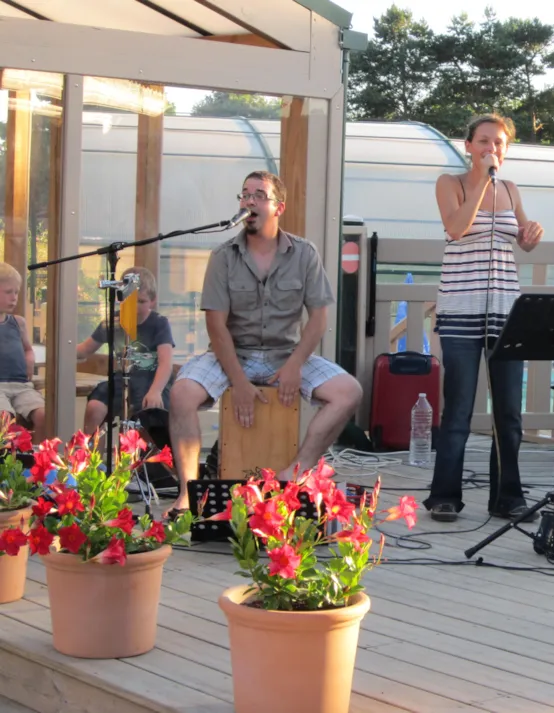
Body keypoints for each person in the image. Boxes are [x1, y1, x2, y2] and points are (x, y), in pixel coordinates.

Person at [165, 170, 362, 518]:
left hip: (285, 354)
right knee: (181, 394)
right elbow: (216, 325)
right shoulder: (223, 256)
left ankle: (296, 472)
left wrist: (294, 366)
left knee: (349, 391)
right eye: (244, 195)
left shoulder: (305, 253)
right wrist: (238, 382)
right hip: (230, 353)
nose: (249, 201)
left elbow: (318, 320)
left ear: (278, 207)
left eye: (259, 195)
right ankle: (187, 494)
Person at [423, 114, 544, 523]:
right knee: (458, 407)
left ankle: (507, 496)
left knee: (509, 411)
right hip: (460, 309)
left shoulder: (510, 189)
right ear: (469, 146)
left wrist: (530, 235)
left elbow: (522, 241)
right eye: (485, 141)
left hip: (506, 311)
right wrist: (482, 181)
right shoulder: (451, 184)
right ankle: (444, 496)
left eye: (500, 143)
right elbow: (456, 229)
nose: (493, 148)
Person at [76, 266, 174, 435]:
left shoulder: (159, 323)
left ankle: (138, 458)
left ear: (153, 301)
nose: (135, 307)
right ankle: (93, 459)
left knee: (141, 419)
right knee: (94, 407)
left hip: (151, 382)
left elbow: (166, 363)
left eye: (141, 301)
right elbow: (84, 350)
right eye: (130, 300)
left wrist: (155, 391)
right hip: (121, 380)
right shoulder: (112, 322)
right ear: (120, 298)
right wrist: (60, 348)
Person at [0, 262, 45, 440]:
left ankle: (38, 459)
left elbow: (27, 348)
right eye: (8, 292)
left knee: (44, 416)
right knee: (5, 419)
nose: (14, 298)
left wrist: (29, 358)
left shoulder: (18, 323)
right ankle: (7, 463)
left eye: (16, 292)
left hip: (21, 386)